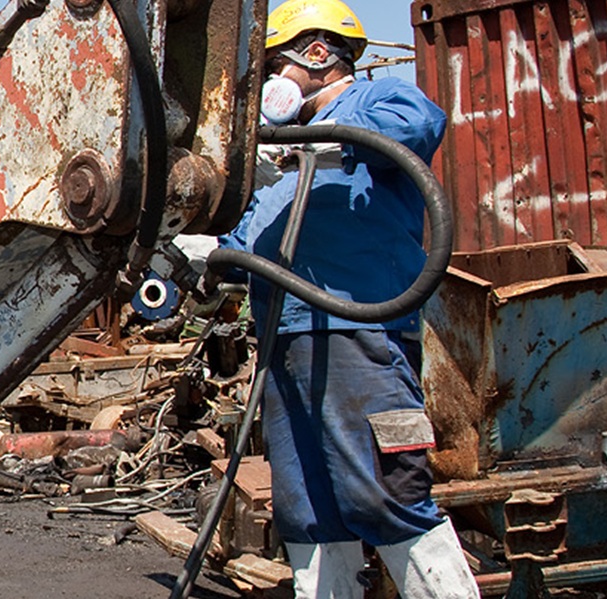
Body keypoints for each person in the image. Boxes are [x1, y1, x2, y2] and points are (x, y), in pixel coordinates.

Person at [218, 1, 477, 597]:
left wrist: (332, 138)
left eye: (272, 67)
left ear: (316, 54)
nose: (264, 87)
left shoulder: (372, 104)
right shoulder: (284, 169)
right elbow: (243, 242)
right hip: (287, 343)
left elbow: (418, 127)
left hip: (357, 334)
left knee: (385, 497)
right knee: (307, 510)